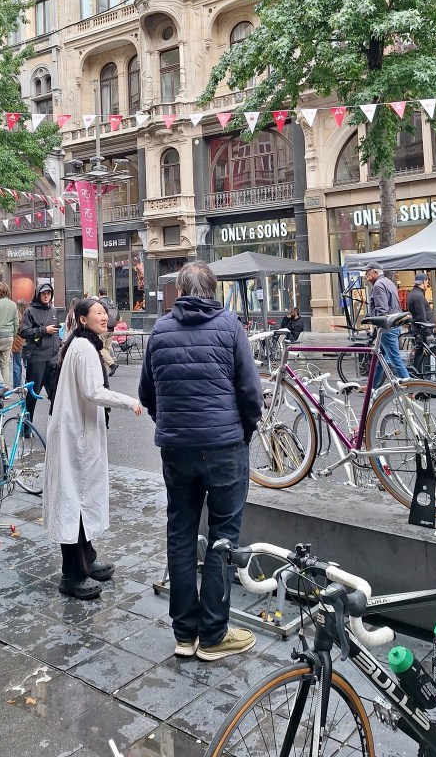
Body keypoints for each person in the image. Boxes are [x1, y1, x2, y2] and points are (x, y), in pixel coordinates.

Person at [138, 260, 263, 661]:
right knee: (224, 537)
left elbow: (147, 393)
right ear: (213, 289)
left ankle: (184, 634)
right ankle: (213, 634)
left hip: (176, 449)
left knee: (180, 533)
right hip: (225, 447)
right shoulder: (230, 326)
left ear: (179, 291)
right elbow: (250, 392)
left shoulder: (159, 330)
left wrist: (171, 424)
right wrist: (244, 431)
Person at [44, 298, 142, 600]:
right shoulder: (84, 348)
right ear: (83, 319)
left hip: (78, 431)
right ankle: (72, 574)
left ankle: (87, 559)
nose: (104, 316)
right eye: (97, 312)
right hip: (75, 435)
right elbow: (92, 391)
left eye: (104, 312)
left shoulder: (83, 344)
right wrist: (129, 401)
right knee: (74, 499)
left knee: (81, 497)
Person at [365, 263, 411, 387]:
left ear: (375, 272)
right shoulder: (388, 282)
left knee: (395, 359)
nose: (366, 274)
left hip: (386, 327)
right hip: (393, 324)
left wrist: (378, 325)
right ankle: (372, 386)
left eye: (368, 272)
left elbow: (382, 310)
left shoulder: (378, 285)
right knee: (380, 359)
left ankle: (410, 387)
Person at [20, 282, 60, 421]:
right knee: (32, 396)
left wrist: (59, 345)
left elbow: (56, 333)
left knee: (56, 396)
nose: (46, 296)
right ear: (38, 294)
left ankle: (57, 426)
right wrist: (43, 330)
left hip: (53, 359)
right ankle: (26, 426)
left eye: (49, 293)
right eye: (43, 293)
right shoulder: (30, 311)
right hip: (37, 359)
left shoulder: (53, 311)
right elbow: (24, 332)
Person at [406, 273, 434, 369]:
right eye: (427, 281)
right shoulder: (418, 296)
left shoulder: (412, 294)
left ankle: (419, 372)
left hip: (417, 328)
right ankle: (421, 373)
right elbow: (421, 316)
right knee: (422, 352)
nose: (427, 284)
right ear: (423, 281)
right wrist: (428, 332)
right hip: (421, 329)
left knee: (420, 351)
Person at [98, 286, 119, 373]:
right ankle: (105, 371)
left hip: (103, 328)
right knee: (106, 349)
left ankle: (112, 364)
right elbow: (118, 316)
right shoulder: (112, 302)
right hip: (112, 328)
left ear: (99, 293)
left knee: (100, 348)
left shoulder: (99, 303)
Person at [12, 300, 29, 389]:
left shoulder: (15, 317)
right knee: (27, 364)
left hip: (17, 342)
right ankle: (29, 383)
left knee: (17, 364)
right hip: (26, 342)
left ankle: (17, 386)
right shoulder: (28, 316)